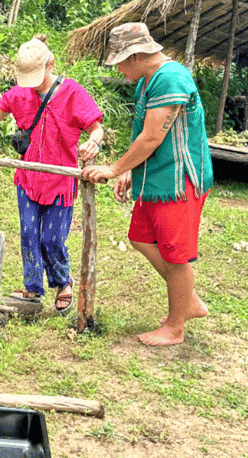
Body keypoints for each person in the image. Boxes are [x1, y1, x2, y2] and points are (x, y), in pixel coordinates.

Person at [0, 35, 104, 313]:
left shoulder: (72, 92)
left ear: (51, 65)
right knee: (27, 233)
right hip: (28, 178)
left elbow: (96, 127)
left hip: (60, 179)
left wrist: (93, 142)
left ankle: (63, 282)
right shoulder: (18, 94)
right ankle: (33, 287)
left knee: (52, 239)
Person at [82, 23, 213, 346]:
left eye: (121, 62)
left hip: (179, 180)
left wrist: (114, 168)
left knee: (175, 255)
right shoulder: (147, 80)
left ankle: (175, 327)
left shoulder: (171, 78)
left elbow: (154, 135)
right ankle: (189, 301)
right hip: (154, 176)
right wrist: (130, 169)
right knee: (140, 238)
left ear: (137, 55)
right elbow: (145, 134)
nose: (119, 68)